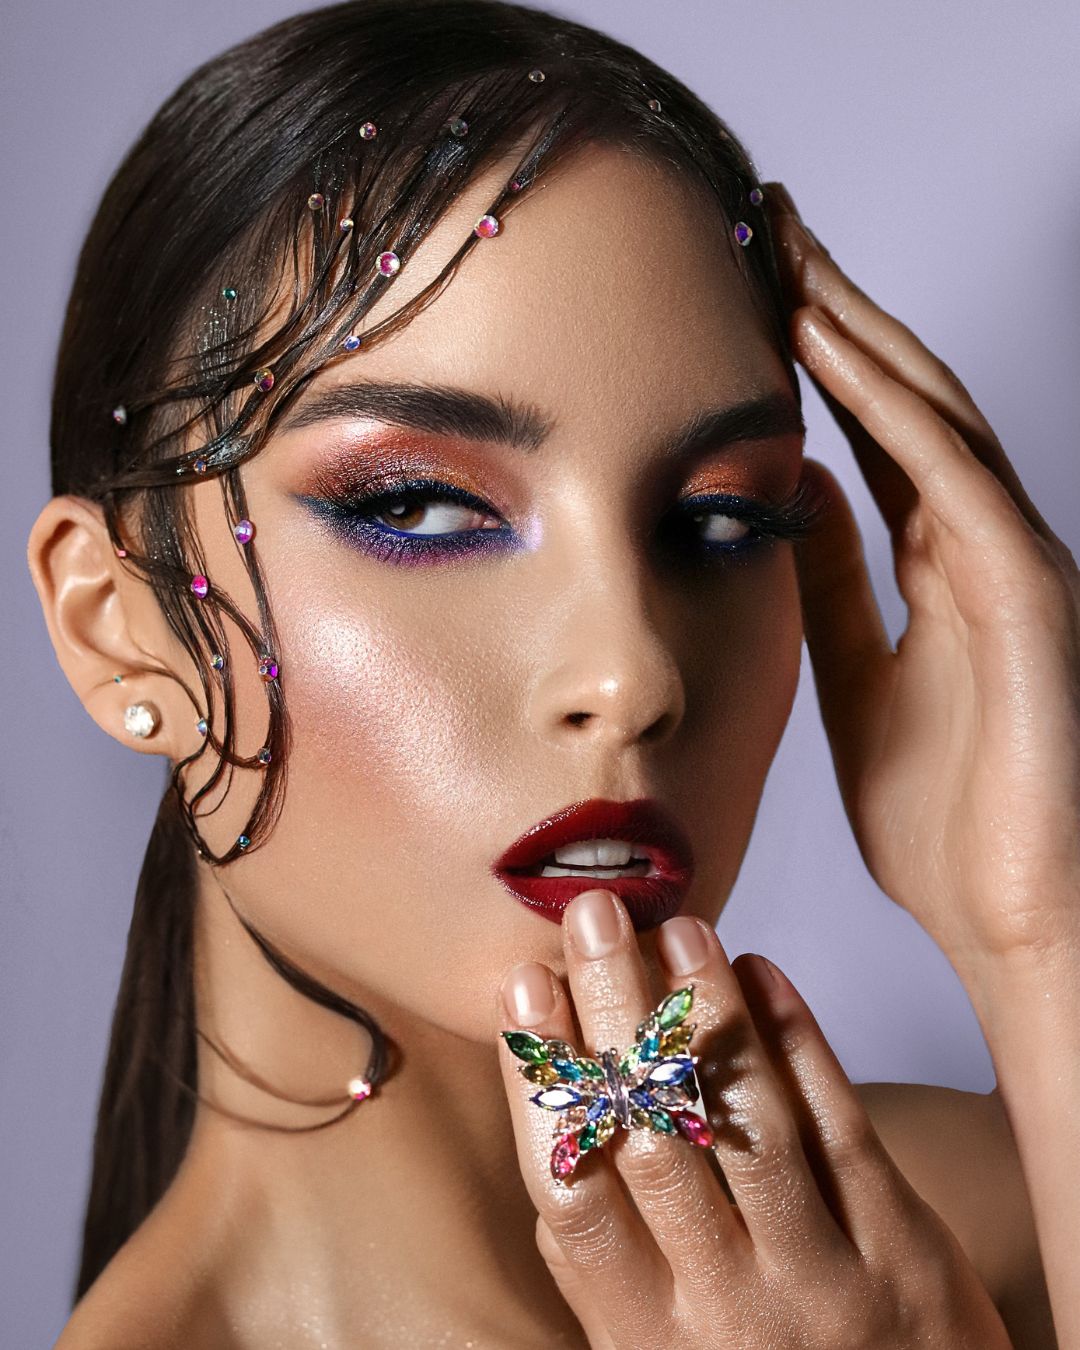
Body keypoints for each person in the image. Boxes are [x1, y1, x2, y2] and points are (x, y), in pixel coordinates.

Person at [26, 0, 1078, 1345]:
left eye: (722, 519)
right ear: (119, 626)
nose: (635, 674)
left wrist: (1040, 929)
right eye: (416, 507)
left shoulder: (960, 1226)